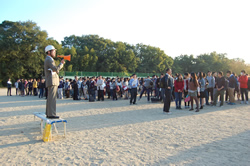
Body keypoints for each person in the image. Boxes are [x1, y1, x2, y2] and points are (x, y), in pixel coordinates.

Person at [44, 45, 65, 119]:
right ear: (49, 52)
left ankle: (48, 113)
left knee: (50, 98)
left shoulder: (48, 59)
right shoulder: (49, 59)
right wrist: (61, 64)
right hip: (52, 81)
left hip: (51, 80)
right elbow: (55, 69)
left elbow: (54, 69)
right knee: (52, 98)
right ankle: (52, 114)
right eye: (54, 51)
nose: (55, 52)